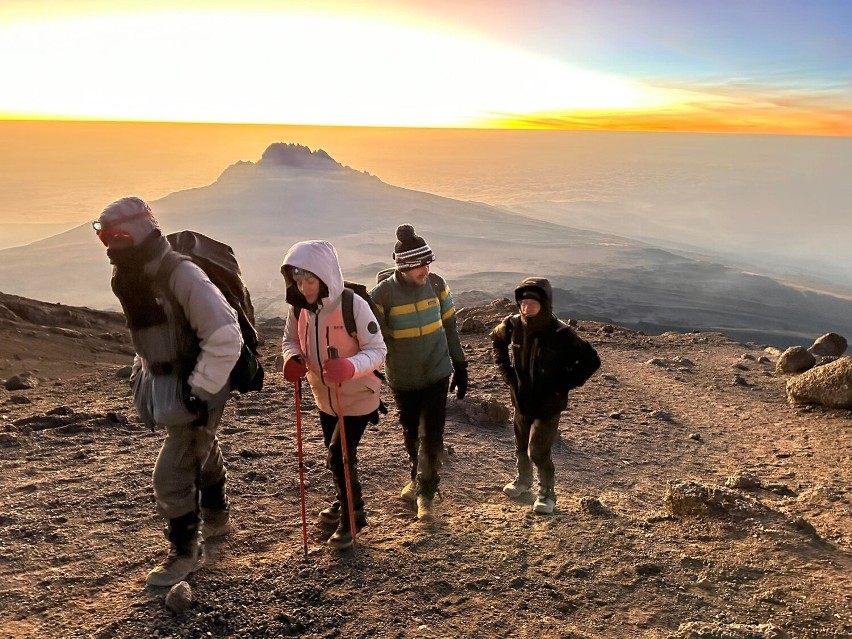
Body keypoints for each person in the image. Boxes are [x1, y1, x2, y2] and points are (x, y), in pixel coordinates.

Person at [94, 197, 243, 586]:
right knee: (198, 447)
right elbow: (152, 334)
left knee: (171, 475)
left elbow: (226, 335)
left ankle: (184, 552)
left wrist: (200, 390)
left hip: (197, 384)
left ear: (139, 232)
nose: (110, 246)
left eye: (117, 236)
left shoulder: (181, 275)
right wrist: (140, 373)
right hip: (170, 382)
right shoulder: (134, 275)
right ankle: (217, 517)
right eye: (104, 237)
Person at [280, 240, 387, 550]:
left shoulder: (354, 305)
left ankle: (354, 518)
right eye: (299, 281)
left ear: (325, 276)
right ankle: (345, 501)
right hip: (325, 397)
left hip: (358, 395)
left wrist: (350, 367)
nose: (304, 287)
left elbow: (379, 350)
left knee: (339, 456)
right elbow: (290, 341)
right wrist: (291, 359)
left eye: (310, 280)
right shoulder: (299, 308)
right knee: (339, 457)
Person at [369, 224, 468, 522]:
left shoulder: (437, 285)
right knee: (412, 434)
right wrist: (371, 378)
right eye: (420, 265)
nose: (426, 269)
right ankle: (417, 477)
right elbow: (375, 342)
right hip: (404, 378)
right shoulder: (381, 296)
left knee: (432, 435)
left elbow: (450, 327)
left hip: (437, 373)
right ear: (404, 267)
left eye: (428, 262)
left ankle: (426, 494)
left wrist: (460, 365)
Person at [491, 277, 600, 514]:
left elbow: (591, 360)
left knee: (538, 450)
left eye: (532, 303)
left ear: (545, 304)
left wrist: (565, 384)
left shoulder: (561, 333)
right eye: (523, 303)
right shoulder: (512, 324)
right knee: (521, 444)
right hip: (520, 398)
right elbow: (496, 341)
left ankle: (547, 493)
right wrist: (507, 374)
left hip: (549, 403)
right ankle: (523, 481)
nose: (526, 308)